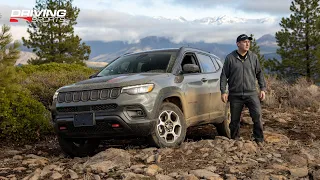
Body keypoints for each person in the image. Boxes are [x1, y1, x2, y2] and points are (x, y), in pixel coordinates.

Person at [220, 34, 266, 146]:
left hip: (251, 93)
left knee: (257, 116)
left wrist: (262, 88)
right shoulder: (230, 58)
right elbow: (224, 75)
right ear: (238, 44)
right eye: (244, 42)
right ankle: (235, 140)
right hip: (235, 94)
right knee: (234, 120)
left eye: (248, 42)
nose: (247, 44)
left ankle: (259, 139)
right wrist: (223, 91)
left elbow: (259, 73)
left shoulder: (253, 57)